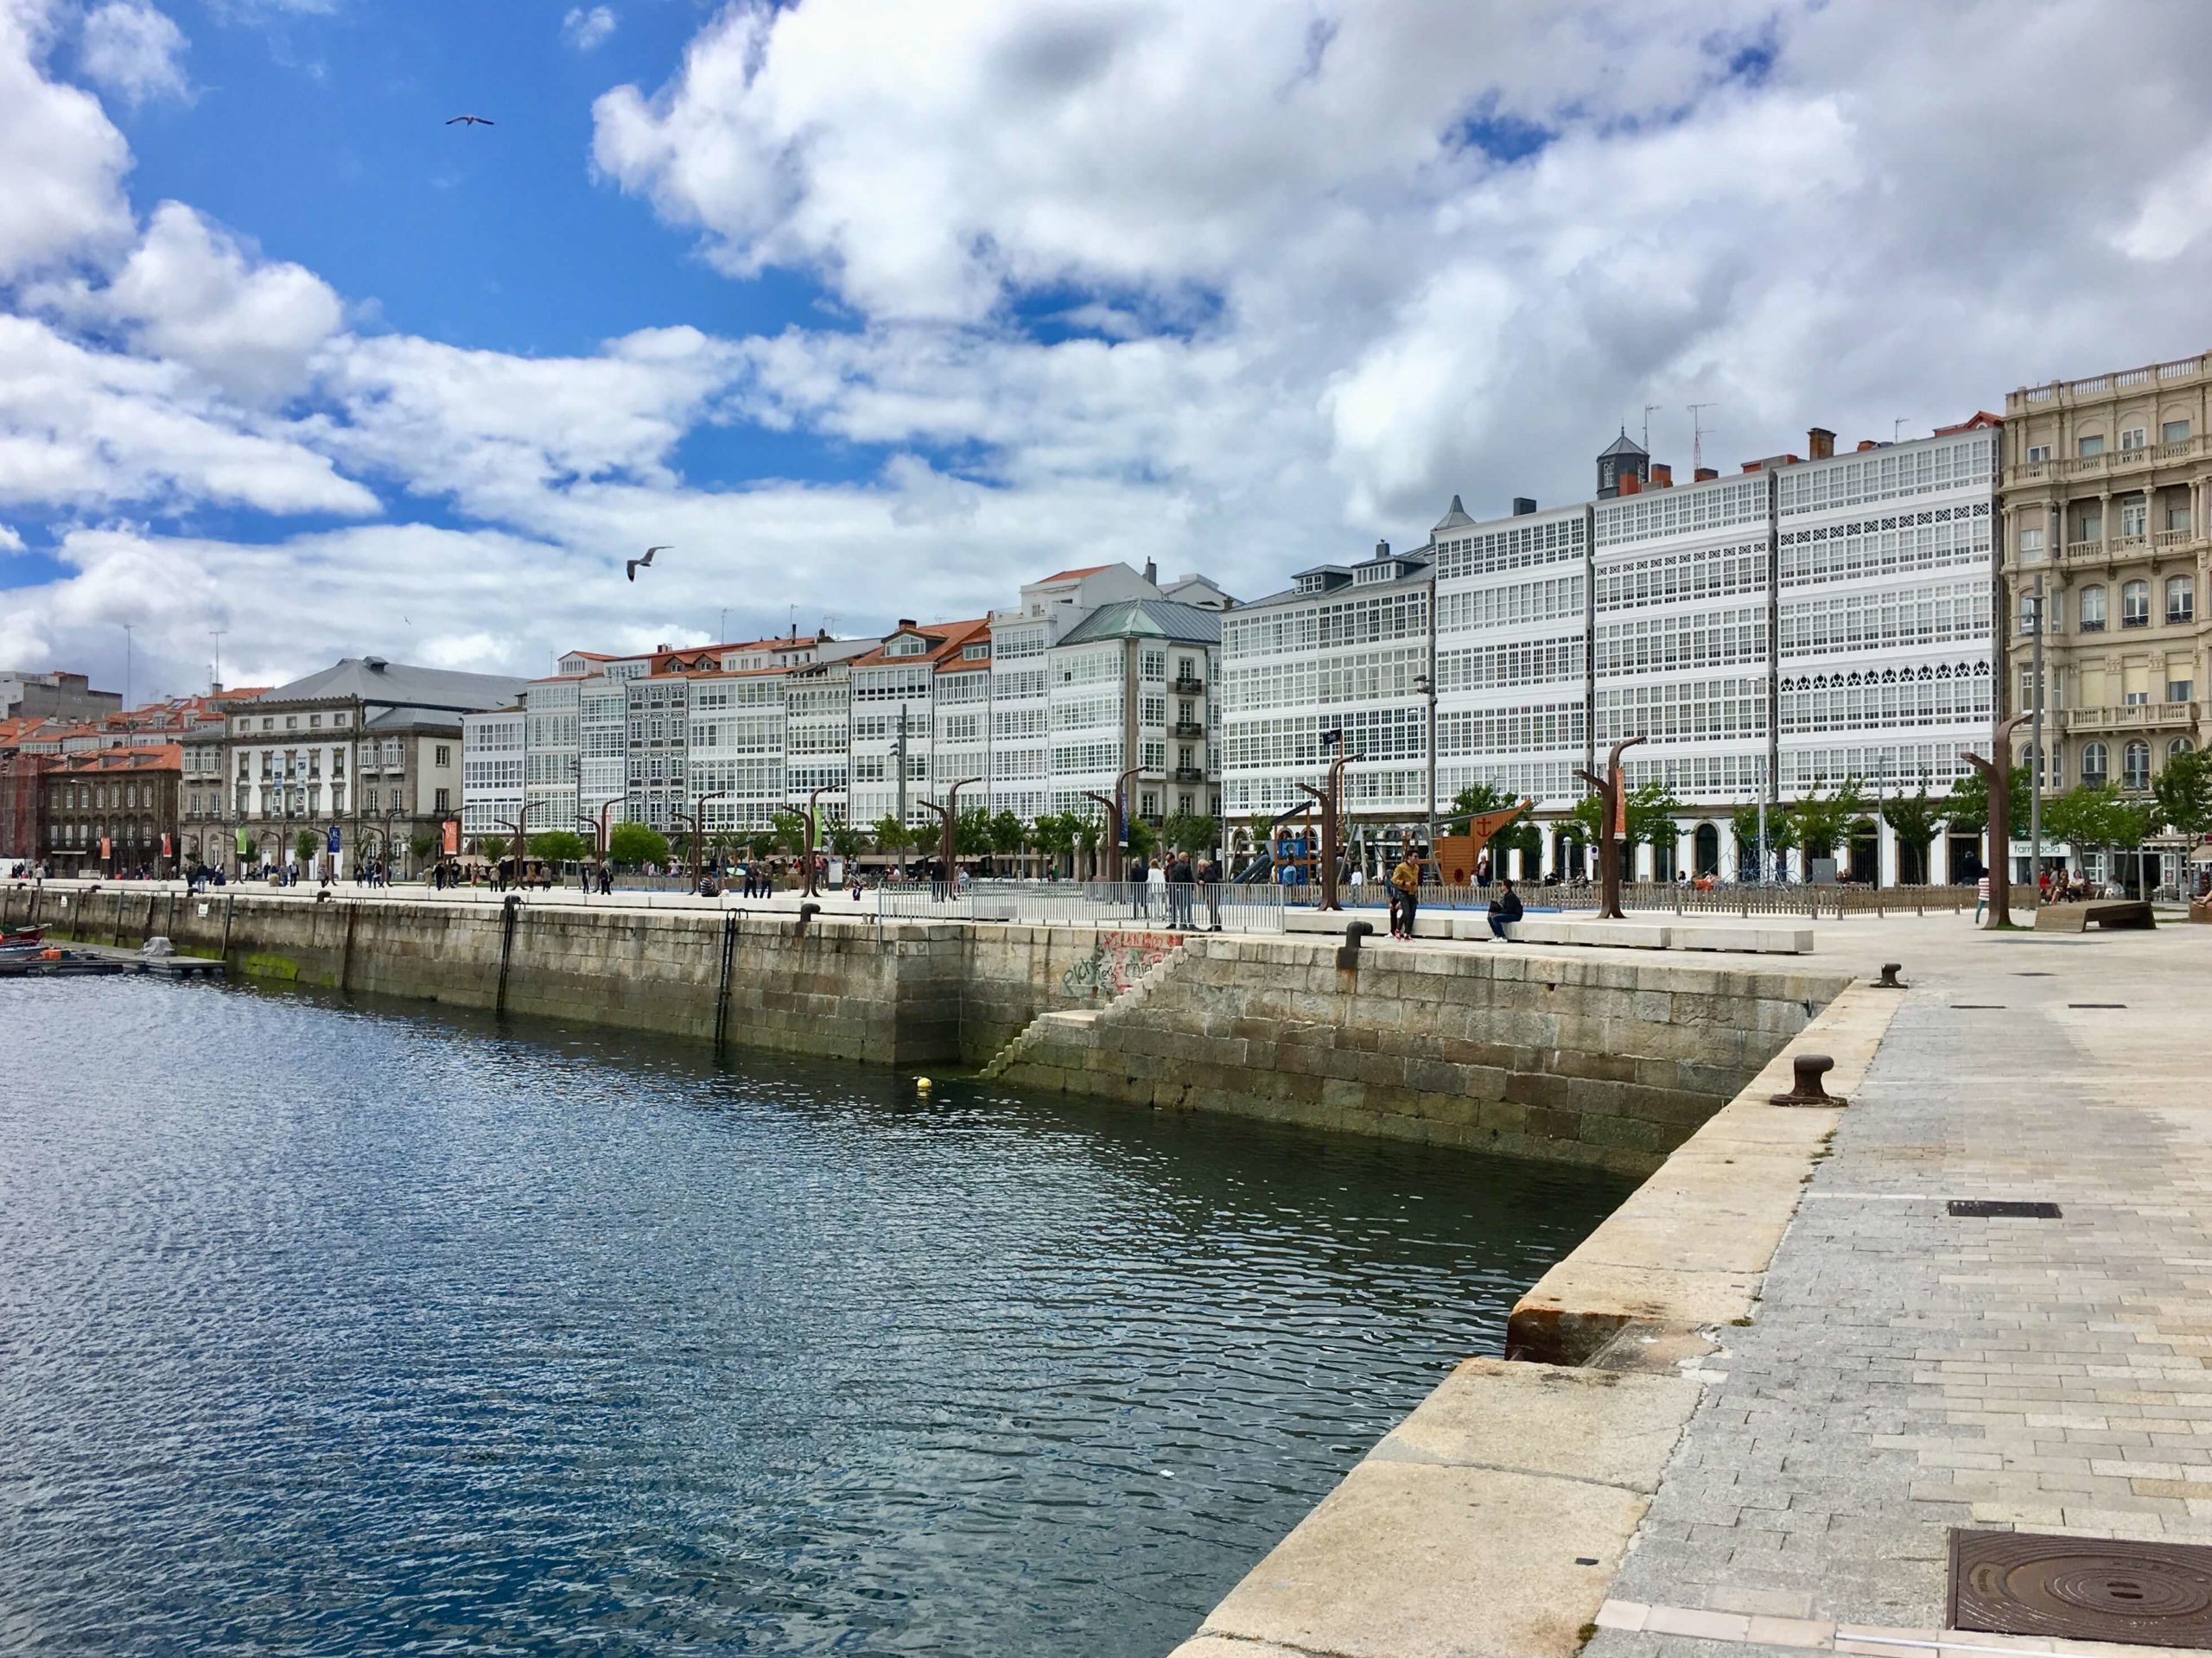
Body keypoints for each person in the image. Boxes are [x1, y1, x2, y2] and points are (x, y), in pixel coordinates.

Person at [1389, 848, 1420, 939]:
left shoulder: (1416, 868)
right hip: (1403, 892)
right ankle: (1398, 930)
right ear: (1409, 857)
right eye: (1415, 856)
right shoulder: (1401, 867)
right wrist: (1404, 883)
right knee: (1406, 912)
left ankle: (1407, 933)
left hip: (1412, 892)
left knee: (1412, 913)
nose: (1416, 858)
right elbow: (1394, 879)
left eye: (1417, 857)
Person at [1488, 876, 1523, 941]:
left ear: (1505, 886)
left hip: (1515, 915)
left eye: (1502, 885)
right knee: (1490, 918)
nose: (1501, 887)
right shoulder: (1506, 895)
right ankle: (1497, 935)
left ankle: (1502, 936)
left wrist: (1497, 913)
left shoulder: (1510, 896)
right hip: (1510, 913)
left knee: (1495, 918)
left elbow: (1509, 910)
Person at [1167, 850, 1196, 929]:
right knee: (1188, 907)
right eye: (1187, 856)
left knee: (1182, 907)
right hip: (1186, 888)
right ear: (1184, 858)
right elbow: (1189, 878)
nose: (1188, 858)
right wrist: (1193, 885)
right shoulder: (1187, 866)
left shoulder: (1176, 867)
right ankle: (1190, 923)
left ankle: (1182, 924)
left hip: (1178, 889)